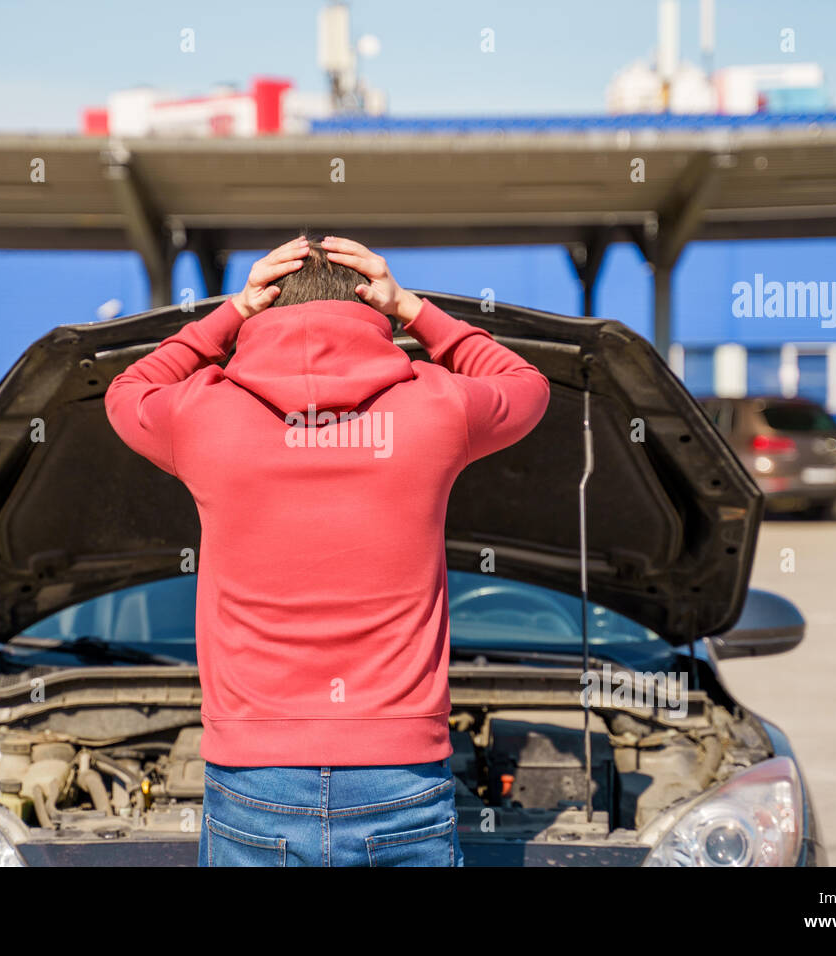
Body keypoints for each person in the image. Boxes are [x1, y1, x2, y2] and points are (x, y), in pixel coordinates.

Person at [105, 235, 550, 866]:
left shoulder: (202, 414)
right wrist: (415, 310)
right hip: (400, 774)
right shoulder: (435, 406)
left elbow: (126, 389)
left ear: (267, 305)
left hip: (254, 774)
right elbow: (524, 383)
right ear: (373, 309)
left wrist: (230, 313)